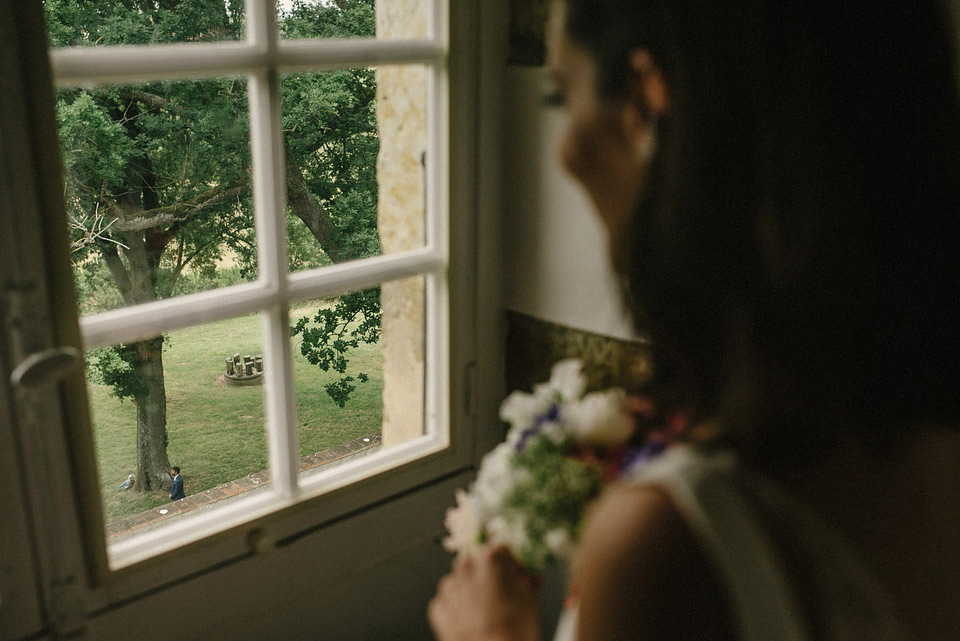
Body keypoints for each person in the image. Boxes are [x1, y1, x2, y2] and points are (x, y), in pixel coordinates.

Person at [429, 1, 960, 640]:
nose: (565, 153)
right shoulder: (914, 434)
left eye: (558, 96)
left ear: (647, 101)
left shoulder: (672, 547)